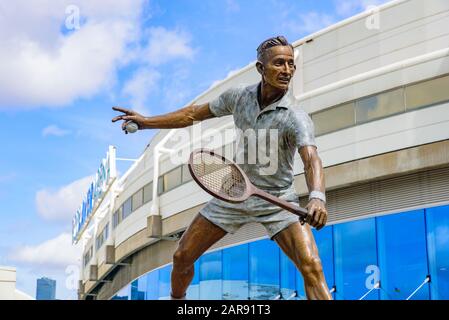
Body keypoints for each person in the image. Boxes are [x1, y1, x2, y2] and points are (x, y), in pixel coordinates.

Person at [112, 36, 332, 300]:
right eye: (278, 63)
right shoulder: (239, 97)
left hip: (277, 199)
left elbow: (311, 160)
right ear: (260, 68)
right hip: (234, 191)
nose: (286, 70)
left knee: (312, 267)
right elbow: (191, 114)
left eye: (290, 64)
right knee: (182, 256)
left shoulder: (296, 117)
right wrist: (146, 122)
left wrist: (317, 197)